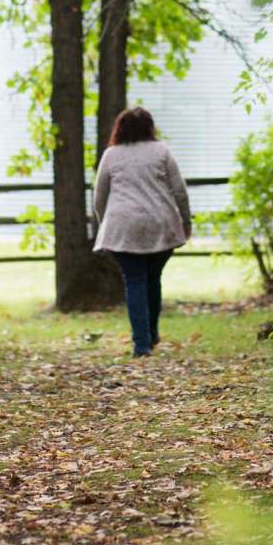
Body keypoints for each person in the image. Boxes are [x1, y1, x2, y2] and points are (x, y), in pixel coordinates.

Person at [93, 107, 192, 358]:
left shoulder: (111, 155)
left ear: (120, 128)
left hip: (123, 226)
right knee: (153, 278)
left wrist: (105, 223)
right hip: (160, 224)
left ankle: (142, 344)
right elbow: (179, 190)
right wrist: (185, 220)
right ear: (150, 127)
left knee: (135, 281)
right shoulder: (161, 151)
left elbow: (99, 196)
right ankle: (152, 333)